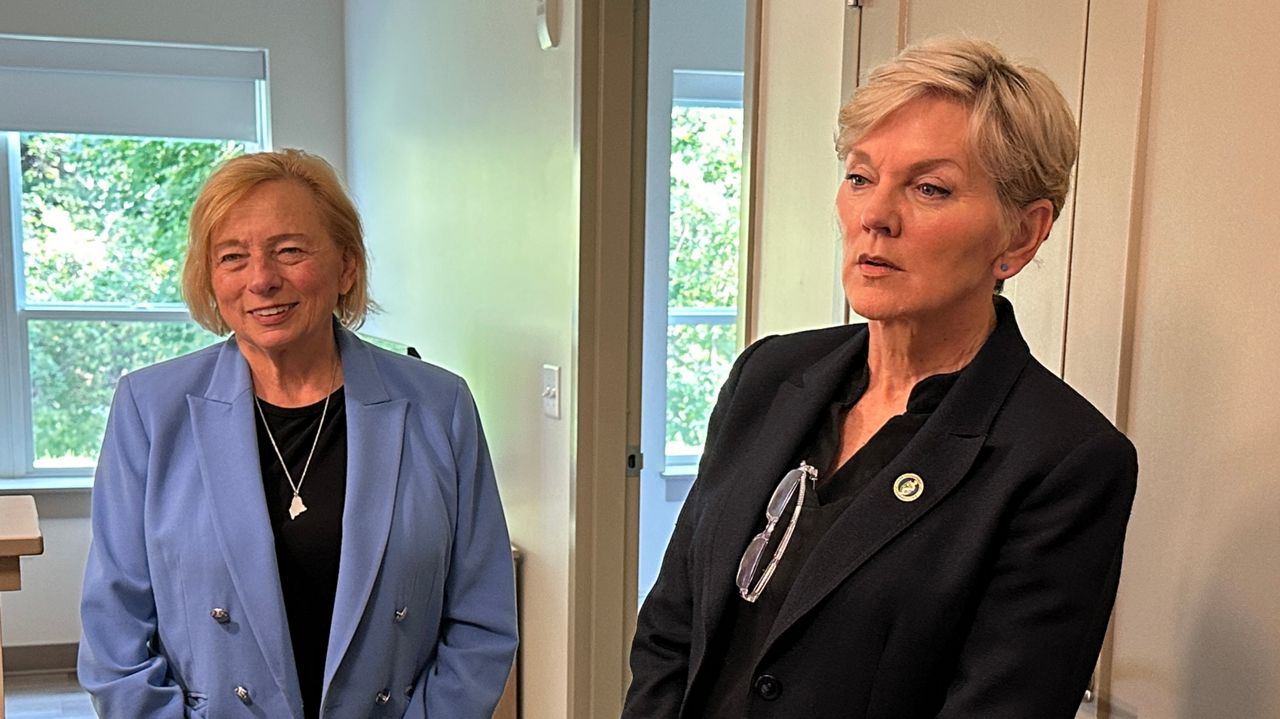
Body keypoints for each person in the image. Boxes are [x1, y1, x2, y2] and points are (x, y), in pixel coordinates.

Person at [624, 38, 1138, 718]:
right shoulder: (768, 374)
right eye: (861, 176)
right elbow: (672, 627)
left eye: (929, 188)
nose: (874, 215)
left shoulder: (1062, 461)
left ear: (1021, 235)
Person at [78, 149, 517, 718]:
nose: (262, 279)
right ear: (210, 279)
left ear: (346, 266)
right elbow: (115, 629)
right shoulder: (149, 409)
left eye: (290, 251)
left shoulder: (439, 405)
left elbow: (482, 617)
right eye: (232, 256)